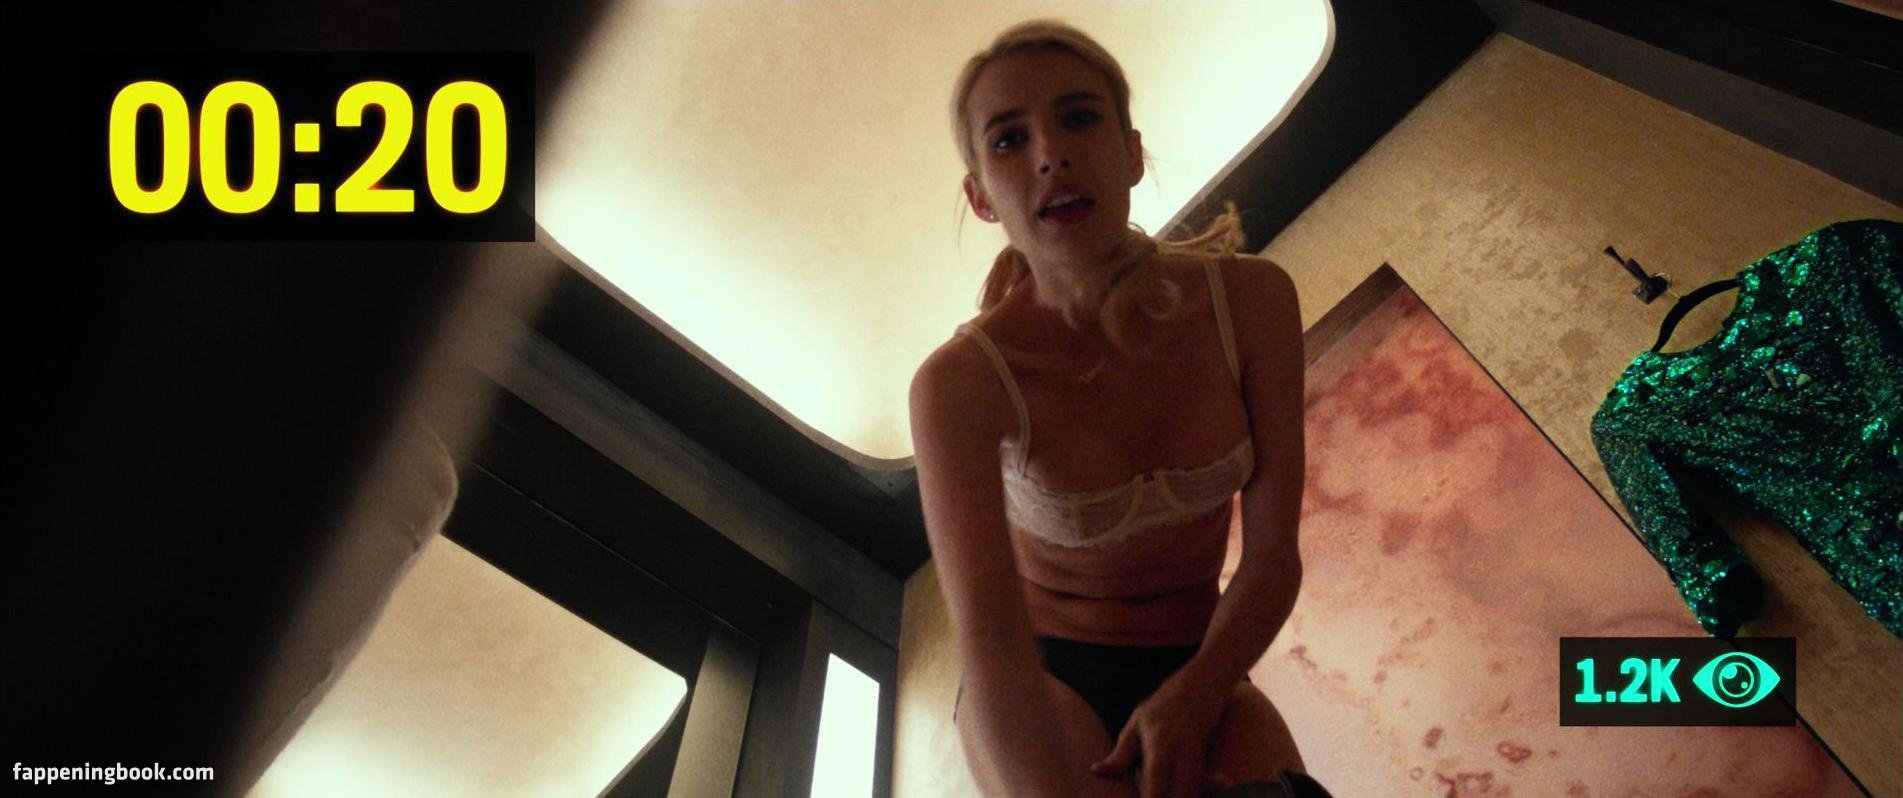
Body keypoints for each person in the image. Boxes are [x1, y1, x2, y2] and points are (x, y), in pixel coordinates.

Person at [909, 19, 1330, 798]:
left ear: (1132, 152)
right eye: (1008, 139)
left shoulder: (1252, 302)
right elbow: (991, 647)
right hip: (1043, 670)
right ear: (980, 197)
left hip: (1202, 659)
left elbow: (1272, 557)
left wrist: (1200, 689)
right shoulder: (959, 385)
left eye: (1078, 117)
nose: (1050, 154)